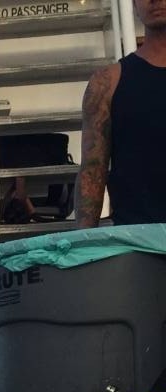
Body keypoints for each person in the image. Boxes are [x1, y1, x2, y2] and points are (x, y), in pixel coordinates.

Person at [75, 0, 166, 228]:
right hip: (138, 243)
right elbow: (93, 169)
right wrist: (84, 246)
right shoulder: (106, 83)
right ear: (135, 5)